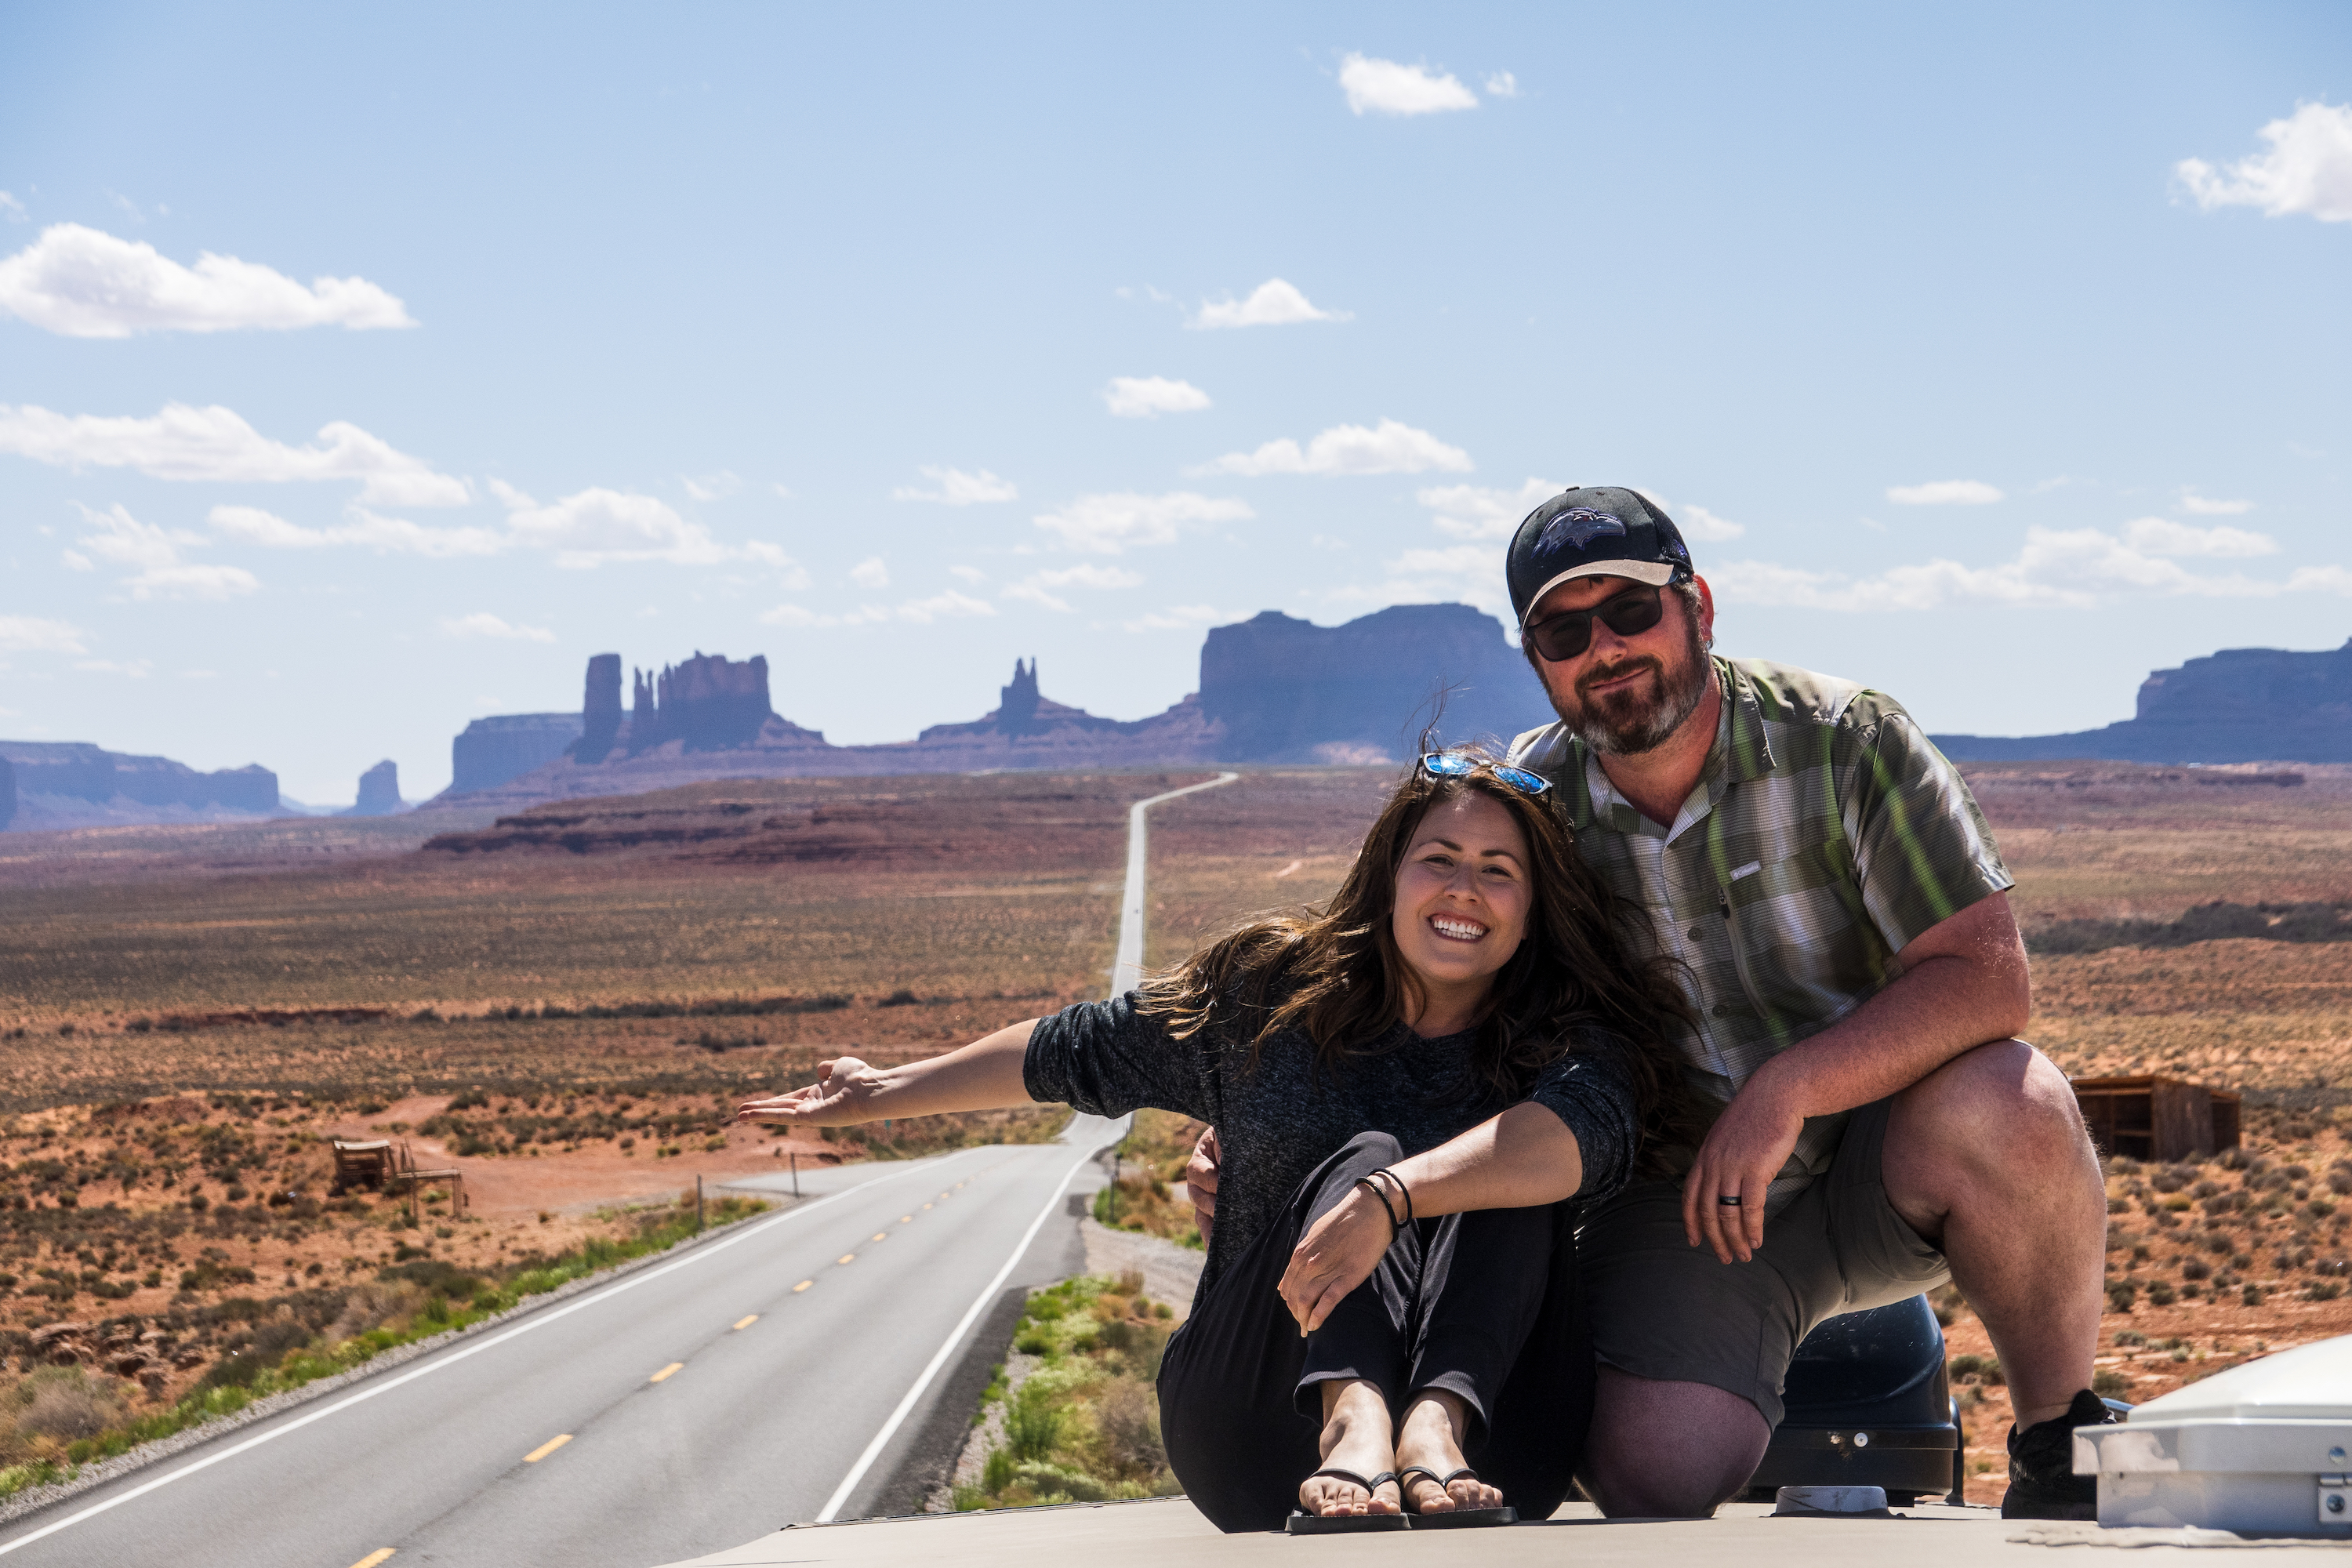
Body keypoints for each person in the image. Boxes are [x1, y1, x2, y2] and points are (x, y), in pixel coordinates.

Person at [1191, 486, 2114, 1521]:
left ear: (1699, 608)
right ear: (1537, 658)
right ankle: (1741, 1400)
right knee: (1656, 1476)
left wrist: (1791, 1088)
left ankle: (2055, 1435)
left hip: (1880, 1164)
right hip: (1687, 1206)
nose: (1607, 649)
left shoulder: (1849, 744)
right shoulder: (1533, 813)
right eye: (1565, 629)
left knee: (2013, 1097)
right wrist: (1269, 1143)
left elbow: (1987, 975)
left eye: (1632, 611)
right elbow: (1415, 989)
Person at [735, 750, 1698, 1533]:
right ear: (1389, 873)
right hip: (1255, 1431)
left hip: (1496, 1448)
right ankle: (1353, 1416)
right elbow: (1080, 1049)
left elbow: (1574, 1138)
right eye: (1438, 857)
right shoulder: (1271, 996)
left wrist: (1395, 1197)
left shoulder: (1576, 1042)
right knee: (1365, 1154)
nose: (1464, 889)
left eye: (1499, 871)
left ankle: (1434, 1422)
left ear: (1533, 913)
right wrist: (892, 1088)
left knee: (1487, 1166)